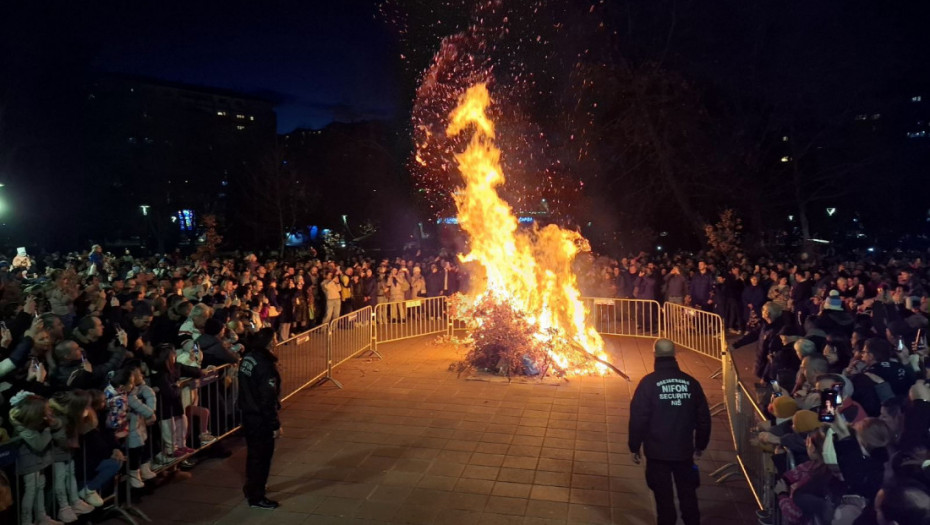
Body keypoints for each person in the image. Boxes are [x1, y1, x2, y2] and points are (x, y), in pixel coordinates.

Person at [629, 338, 711, 525]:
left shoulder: (648, 384)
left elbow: (638, 419)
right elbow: (704, 419)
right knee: (688, 494)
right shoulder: (691, 383)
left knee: (663, 499)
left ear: (655, 354)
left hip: (657, 453)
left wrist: (634, 446)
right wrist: (700, 444)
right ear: (674, 355)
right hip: (684, 452)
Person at [238, 328, 282, 510]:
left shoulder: (249, 358)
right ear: (270, 343)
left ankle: (251, 488)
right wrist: (274, 424)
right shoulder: (264, 365)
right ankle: (257, 495)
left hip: (248, 414)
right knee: (262, 458)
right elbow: (267, 399)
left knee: (253, 455)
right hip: (260, 419)